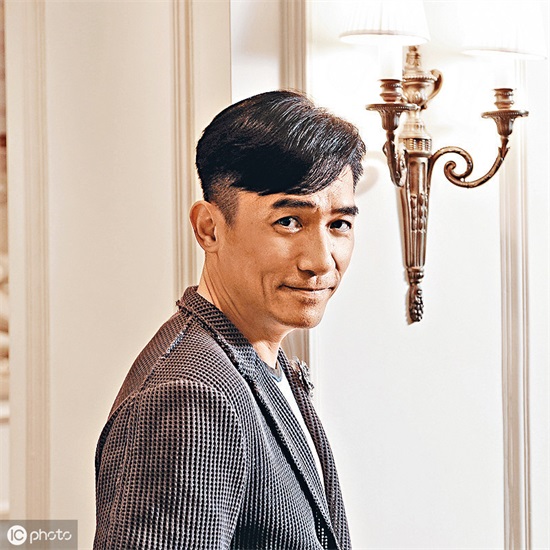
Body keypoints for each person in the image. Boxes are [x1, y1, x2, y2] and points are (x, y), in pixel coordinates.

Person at [94, 90, 366, 550]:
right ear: (209, 229)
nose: (321, 261)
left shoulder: (261, 363)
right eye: (289, 221)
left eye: (339, 224)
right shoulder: (192, 396)